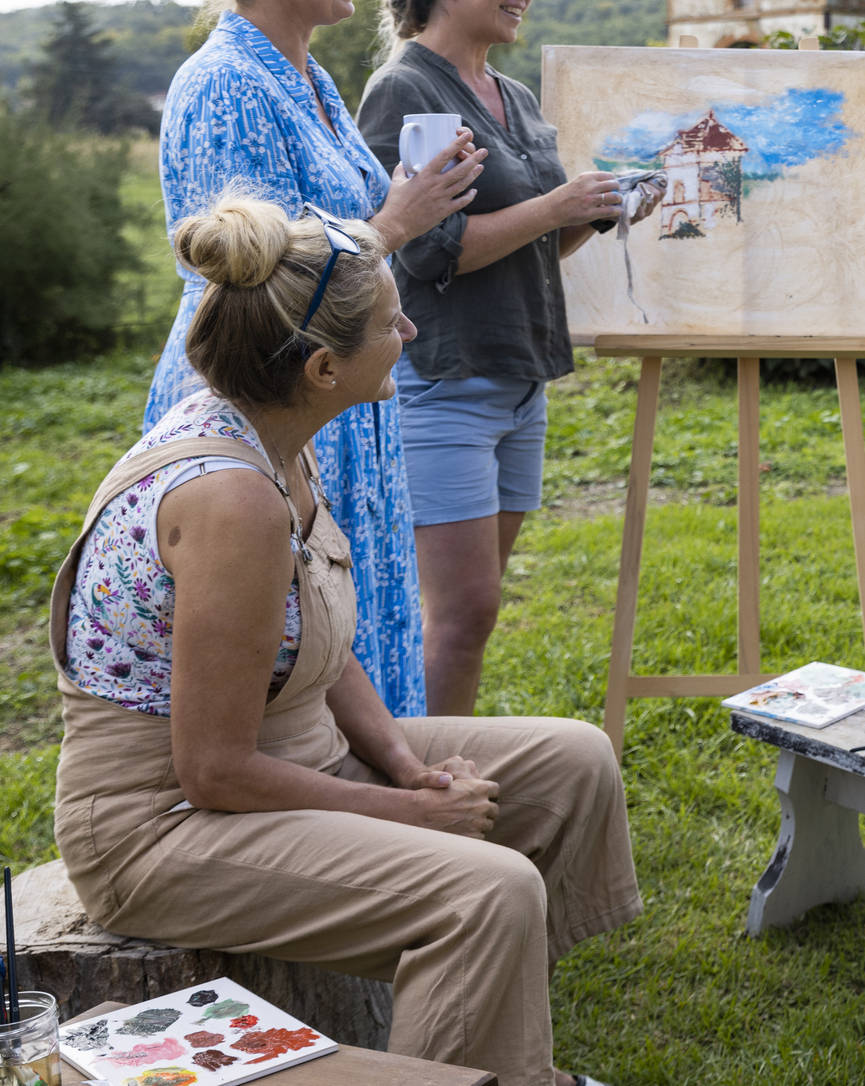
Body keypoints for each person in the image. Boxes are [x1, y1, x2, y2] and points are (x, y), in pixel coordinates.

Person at [51, 193, 639, 1086]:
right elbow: (212, 768)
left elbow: (318, 644)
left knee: (572, 762)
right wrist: (413, 815)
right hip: (160, 825)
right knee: (484, 887)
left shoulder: (276, 432)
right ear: (323, 367)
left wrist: (407, 767)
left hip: (283, 762)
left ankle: (498, 1047)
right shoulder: (231, 498)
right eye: (387, 320)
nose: (407, 326)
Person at [150, 0, 485, 717]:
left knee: (354, 640)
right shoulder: (223, 85)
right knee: (290, 671)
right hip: (267, 409)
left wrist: (412, 205)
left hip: (333, 403)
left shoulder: (310, 80)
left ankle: (384, 812)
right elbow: (263, 290)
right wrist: (396, 222)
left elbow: (332, 244)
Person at [355, 0, 659, 716]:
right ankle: (424, 788)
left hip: (520, 383)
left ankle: (437, 766)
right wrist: (556, 206)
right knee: (462, 612)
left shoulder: (515, 97)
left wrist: (590, 218)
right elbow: (429, 251)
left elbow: (528, 244)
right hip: (442, 379)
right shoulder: (405, 90)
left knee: (474, 612)